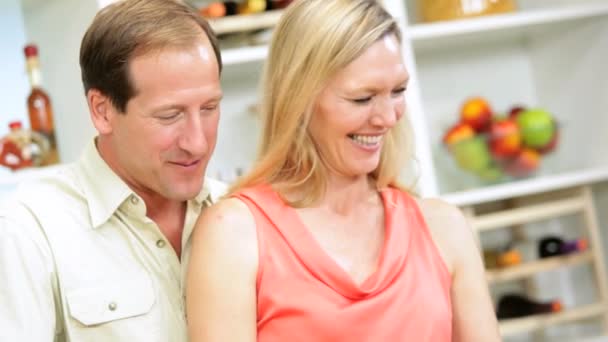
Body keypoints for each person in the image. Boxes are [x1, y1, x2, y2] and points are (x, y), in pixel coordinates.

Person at [186, 0, 501, 341]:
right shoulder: (234, 232)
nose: (387, 117)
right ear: (299, 98)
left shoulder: (444, 228)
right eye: (362, 98)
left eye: (397, 91)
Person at [0, 0, 226, 340]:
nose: (198, 143)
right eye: (170, 115)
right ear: (102, 111)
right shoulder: (29, 232)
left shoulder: (238, 211)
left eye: (209, 108)